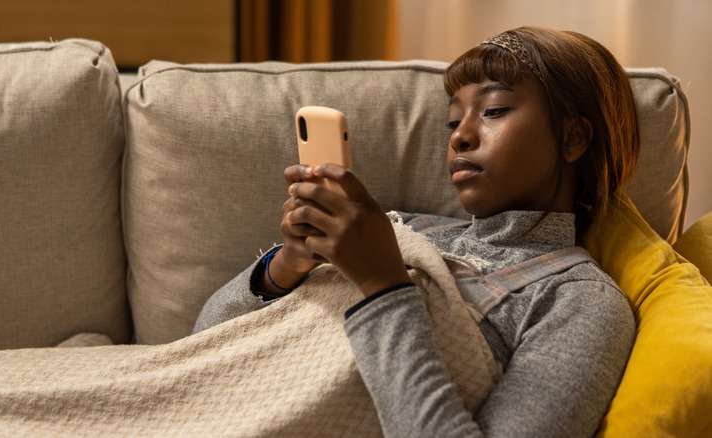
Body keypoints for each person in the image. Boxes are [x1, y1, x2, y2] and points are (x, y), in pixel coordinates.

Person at [194, 26, 637, 437]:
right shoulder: (407, 228)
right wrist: (289, 262)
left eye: (494, 110)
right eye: (453, 120)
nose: (461, 135)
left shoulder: (580, 301)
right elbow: (206, 345)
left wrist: (382, 285)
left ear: (574, 138)